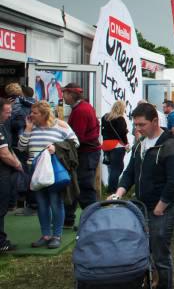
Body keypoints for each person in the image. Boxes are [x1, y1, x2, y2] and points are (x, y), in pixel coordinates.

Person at [113, 102, 174, 289]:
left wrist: (161, 206)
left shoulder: (170, 145)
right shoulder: (140, 144)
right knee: (143, 250)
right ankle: (149, 286)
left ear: (154, 121)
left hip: (162, 209)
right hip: (142, 206)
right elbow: (130, 173)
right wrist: (119, 193)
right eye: (135, 124)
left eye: (142, 124)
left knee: (160, 253)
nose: (138, 129)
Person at [18, 101, 80, 249]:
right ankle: (45, 235)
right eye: (31, 112)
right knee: (41, 204)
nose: (31, 115)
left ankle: (56, 235)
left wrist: (56, 147)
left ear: (44, 114)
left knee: (55, 202)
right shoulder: (31, 127)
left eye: (35, 113)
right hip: (35, 171)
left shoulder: (60, 126)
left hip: (53, 171)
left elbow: (75, 143)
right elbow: (21, 147)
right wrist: (27, 129)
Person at [62, 83, 100, 228]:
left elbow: (77, 138)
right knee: (76, 186)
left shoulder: (80, 110)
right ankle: (69, 219)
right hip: (87, 153)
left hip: (86, 154)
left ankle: (94, 220)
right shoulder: (83, 107)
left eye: (64, 93)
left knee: (84, 187)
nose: (63, 96)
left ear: (71, 94)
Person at [5, 83, 35, 216]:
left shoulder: (9, 106)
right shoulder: (31, 103)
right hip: (31, 141)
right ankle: (29, 203)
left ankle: (14, 202)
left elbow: (9, 123)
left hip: (17, 142)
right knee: (29, 171)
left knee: (17, 171)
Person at [0, 98, 23, 252]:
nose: (9, 115)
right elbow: (3, 153)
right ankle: (1, 242)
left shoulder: (3, 127)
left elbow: (8, 149)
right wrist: (18, 165)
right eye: (7, 112)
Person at [100, 100, 129, 193]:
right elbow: (122, 134)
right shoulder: (120, 119)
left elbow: (102, 131)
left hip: (106, 144)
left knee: (112, 167)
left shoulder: (105, 117)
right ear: (122, 108)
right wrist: (126, 143)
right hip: (117, 145)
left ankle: (111, 186)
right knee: (117, 168)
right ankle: (112, 190)